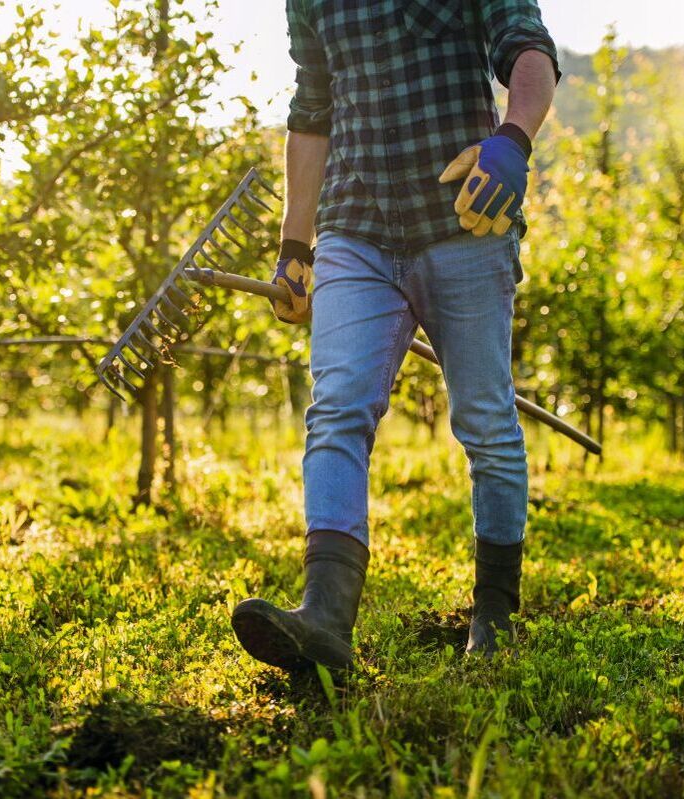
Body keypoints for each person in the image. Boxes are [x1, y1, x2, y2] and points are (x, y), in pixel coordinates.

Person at [231, 0, 560, 671]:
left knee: (485, 419)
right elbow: (312, 106)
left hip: (462, 224)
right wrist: (296, 242)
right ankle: (324, 613)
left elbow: (530, 51)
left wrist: (514, 139)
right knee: (337, 408)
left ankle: (494, 612)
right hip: (355, 228)